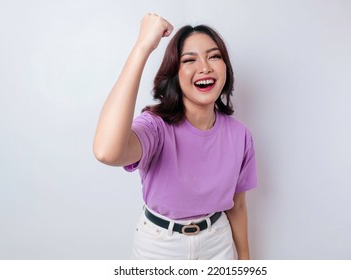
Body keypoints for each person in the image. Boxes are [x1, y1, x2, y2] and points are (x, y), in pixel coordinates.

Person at [93, 13, 257, 260]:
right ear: (174, 74)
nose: (205, 67)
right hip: (160, 247)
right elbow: (106, 151)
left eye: (214, 56)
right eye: (189, 60)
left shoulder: (240, 134)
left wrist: (245, 260)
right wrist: (142, 47)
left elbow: (238, 205)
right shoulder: (155, 128)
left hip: (218, 244)